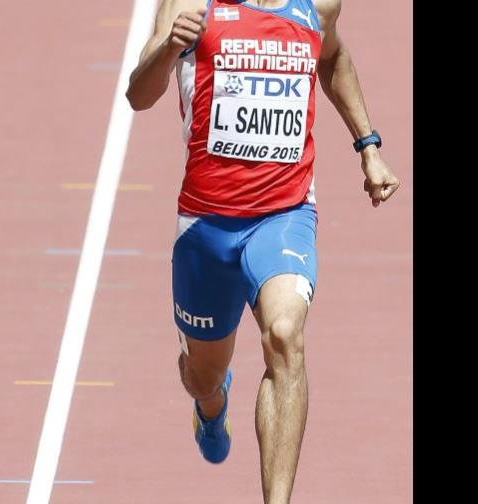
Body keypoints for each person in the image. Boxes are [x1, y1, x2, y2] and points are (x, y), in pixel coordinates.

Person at [125, 0, 399, 502]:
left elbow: (332, 58)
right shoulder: (191, 3)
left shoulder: (317, 5)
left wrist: (370, 147)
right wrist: (168, 48)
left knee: (285, 334)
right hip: (206, 227)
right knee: (200, 377)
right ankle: (212, 405)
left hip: (284, 215)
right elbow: (138, 95)